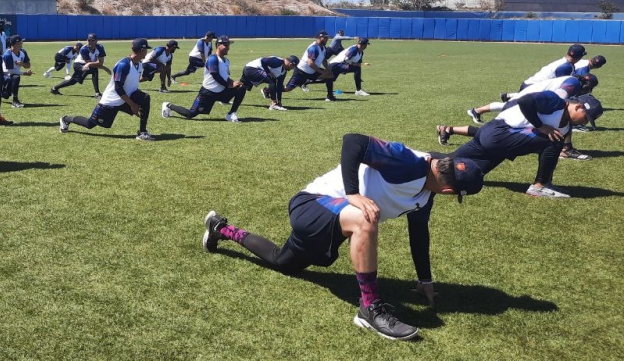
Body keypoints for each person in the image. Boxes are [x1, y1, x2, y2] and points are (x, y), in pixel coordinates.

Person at [202, 133, 485, 341]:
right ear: (450, 192)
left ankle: (220, 228)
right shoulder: (409, 163)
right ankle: (370, 308)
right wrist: (353, 194)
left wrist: (425, 280)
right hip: (312, 204)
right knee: (366, 218)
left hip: (333, 220)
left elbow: (419, 231)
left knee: (282, 261)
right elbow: (354, 142)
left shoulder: (427, 192)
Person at [439, 92, 603, 198]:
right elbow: (525, 100)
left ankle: (423, 160)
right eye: (585, 116)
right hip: (498, 133)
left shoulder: (566, 126)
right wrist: (540, 125)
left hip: (496, 139)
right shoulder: (556, 101)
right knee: (554, 138)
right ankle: (540, 186)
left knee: (465, 173)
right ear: (578, 106)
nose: (585, 121)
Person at [59, 38, 156, 141]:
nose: (147, 52)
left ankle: (142, 132)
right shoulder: (123, 65)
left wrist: (146, 77)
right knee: (90, 124)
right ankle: (66, 119)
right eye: (146, 50)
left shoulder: (139, 64)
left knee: (145, 98)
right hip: (111, 101)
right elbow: (118, 88)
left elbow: (133, 81)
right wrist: (133, 105)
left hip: (126, 97)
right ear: (142, 50)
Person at [162, 35, 246, 123]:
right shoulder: (213, 59)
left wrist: (233, 82)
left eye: (228, 45)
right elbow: (215, 75)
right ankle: (168, 105)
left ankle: (231, 114)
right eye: (225, 45)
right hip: (208, 93)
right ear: (218, 45)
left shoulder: (226, 61)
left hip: (221, 91)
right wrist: (229, 84)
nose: (228, 48)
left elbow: (225, 77)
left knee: (241, 88)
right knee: (190, 114)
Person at [466, 74, 597, 124]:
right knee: (510, 110)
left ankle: (476, 111)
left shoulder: (573, 81)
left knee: (508, 106)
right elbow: (559, 98)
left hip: (535, 93)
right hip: (534, 95)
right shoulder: (573, 84)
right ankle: (476, 114)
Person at [280, 30, 336, 101]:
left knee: (329, 75)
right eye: (325, 38)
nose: (327, 39)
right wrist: (321, 72)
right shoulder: (314, 48)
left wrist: (327, 69)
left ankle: (330, 96)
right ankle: (268, 90)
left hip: (312, 71)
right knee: (287, 89)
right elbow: (310, 63)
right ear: (319, 37)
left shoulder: (323, 48)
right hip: (301, 71)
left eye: (327, 38)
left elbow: (324, 60)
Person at [50, 33, 110, 98]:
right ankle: (97, 93)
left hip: (86, 65)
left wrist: (95, 65)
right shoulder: (84, 49)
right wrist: (104, 67)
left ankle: (54, 88)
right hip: (78, 64)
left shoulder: (100, 48)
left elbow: (100, 62)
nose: (90, 42)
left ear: (96, 41)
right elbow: (90, 63)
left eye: (92, 40)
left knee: (73, 81)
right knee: (94, 70)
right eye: (89, 40)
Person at [519, 44, 586, 90]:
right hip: (531, 88)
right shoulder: (566, 67)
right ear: (579, 57)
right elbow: (561, 87)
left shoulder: (564, 62)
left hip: (528, 85)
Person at [1, 35, 32, 108]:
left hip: (12, 74)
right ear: (16, 44)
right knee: (15, 77)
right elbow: (10, 71)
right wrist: (24, 73)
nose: (22, 43)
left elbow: (28, 65)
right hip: (4, 75)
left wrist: (22, 64)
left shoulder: (23, 52)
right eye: (21, 42)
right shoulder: (8, 55)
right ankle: (13, 100)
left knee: (6, 94)